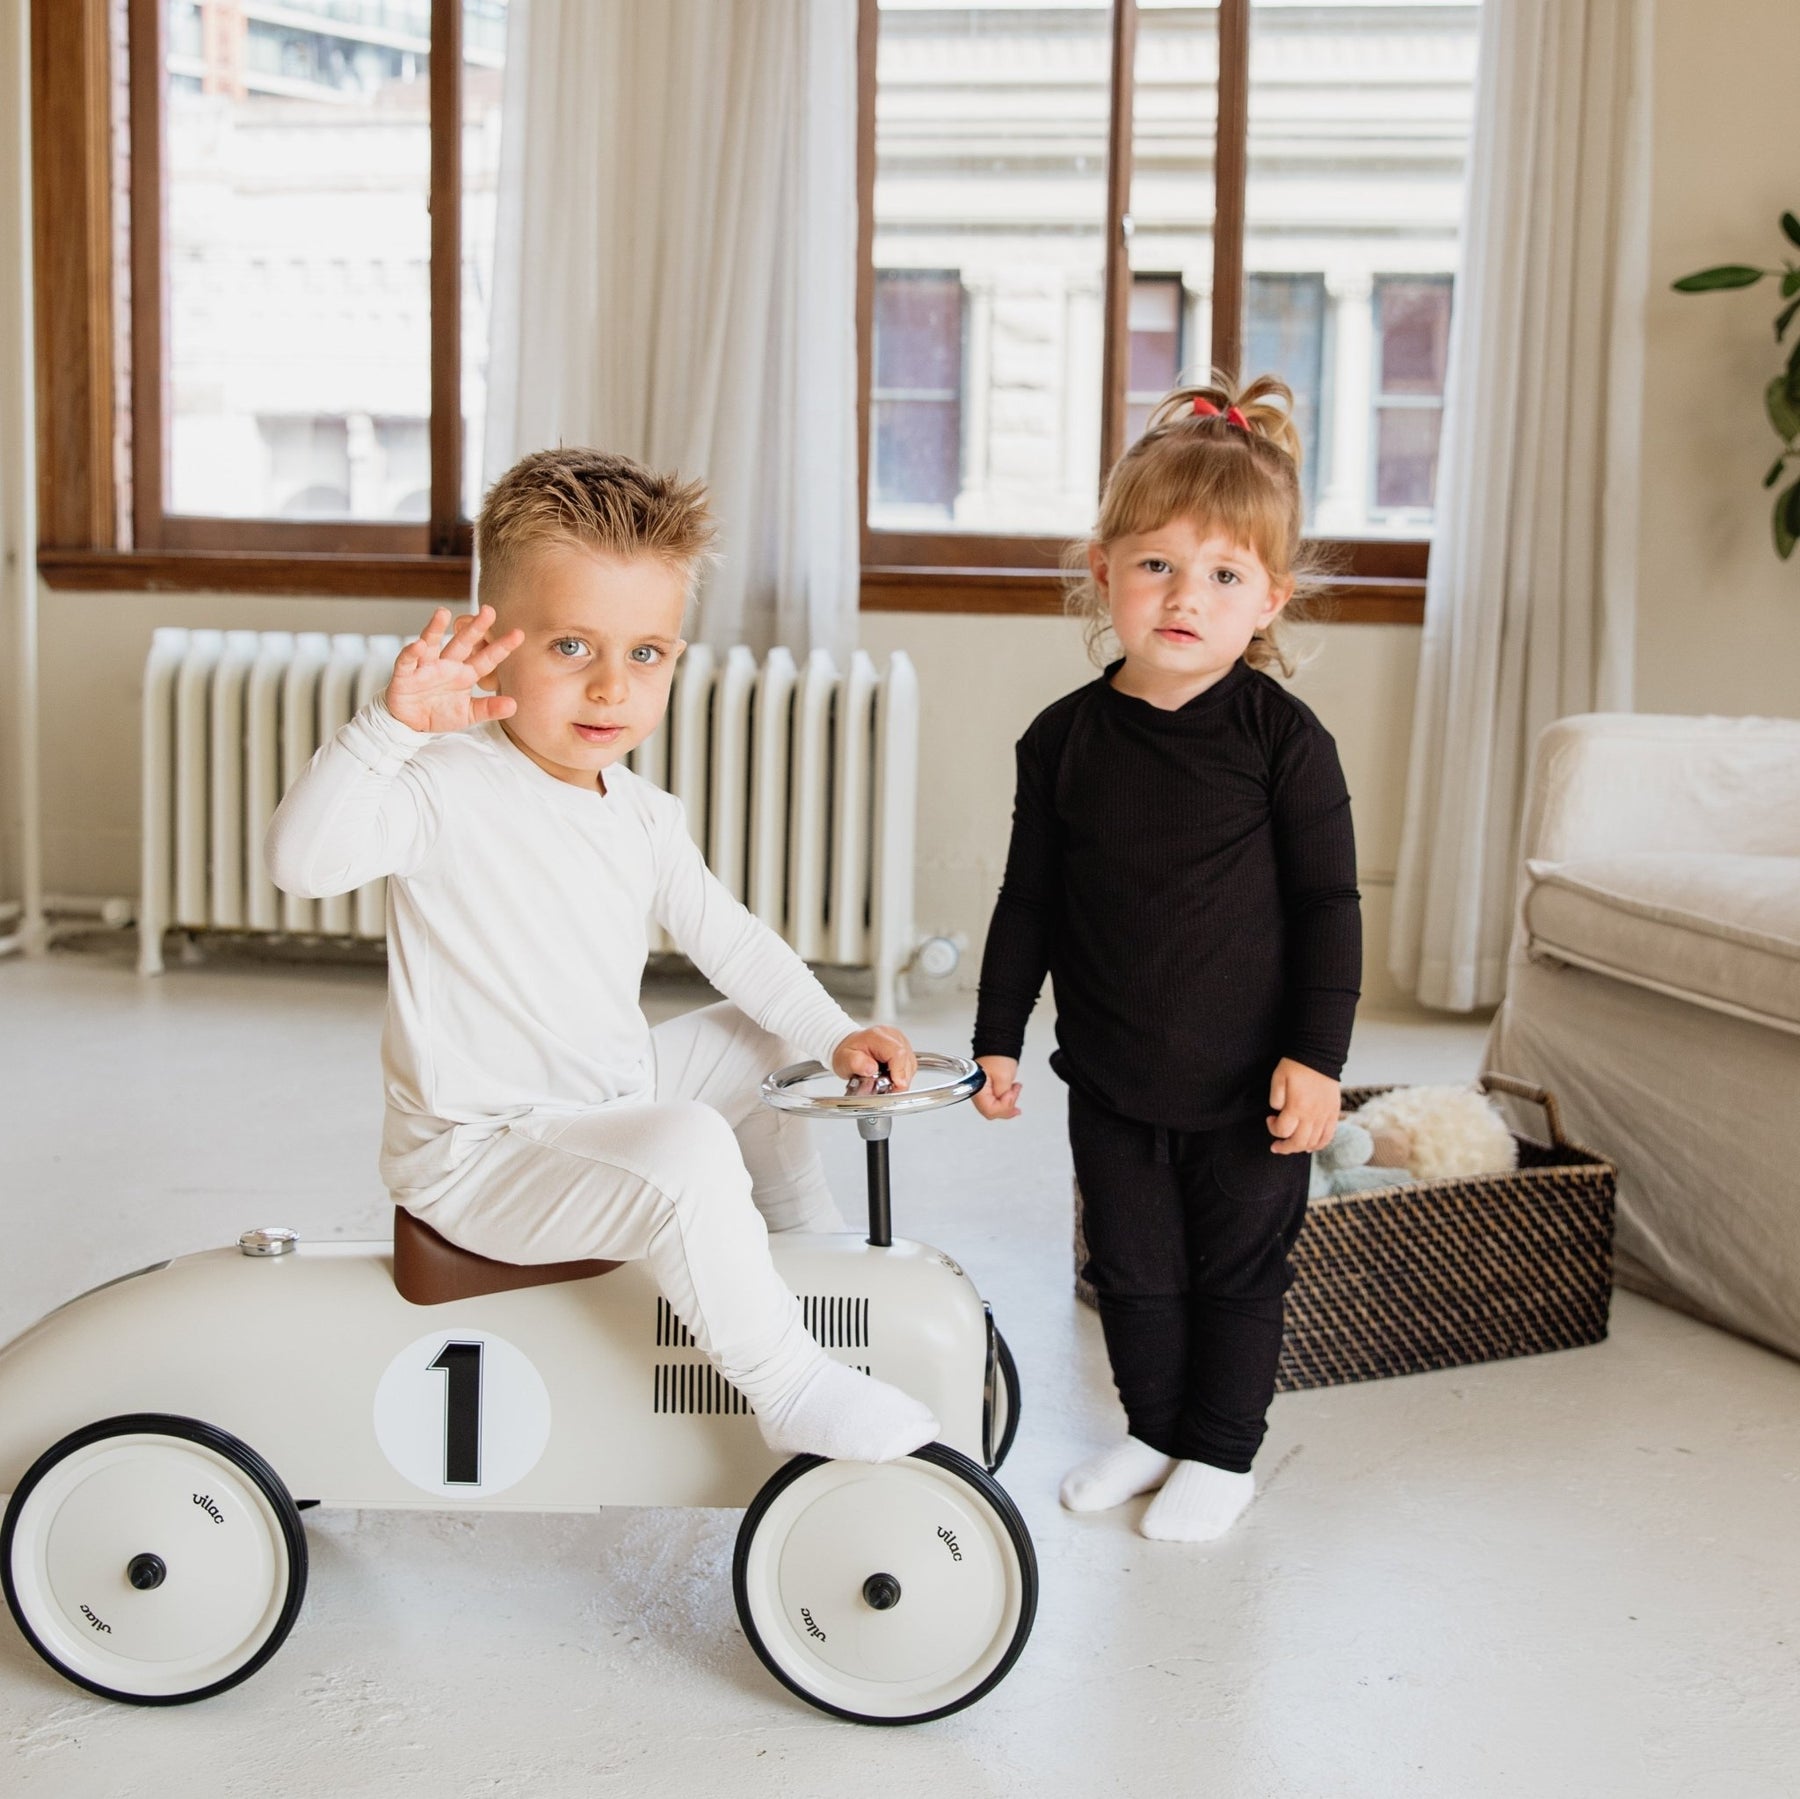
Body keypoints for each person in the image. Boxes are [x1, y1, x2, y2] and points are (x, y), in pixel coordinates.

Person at [267, 446, 938, 1465]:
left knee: (767, 1039)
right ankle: (788, 1383)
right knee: (690, 1146)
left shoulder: (642, 813)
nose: (612, 686)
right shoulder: (442, 783)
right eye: (572, 645)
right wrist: (387, 730)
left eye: (647, 652)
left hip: (603, 1100)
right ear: (493, 640)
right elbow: (300, 862)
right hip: (483, 1156)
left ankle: (809, 1245)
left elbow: (733, 940)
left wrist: (836, 1031)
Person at [970, 376, 1361, 1541]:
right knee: (1133, 1270)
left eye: (1225, 575)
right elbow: (1028, 900)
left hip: (1248, 1088)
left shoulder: (1284, 741)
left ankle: (1222, 1453)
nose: (1187, 595)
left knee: (1236, 1271)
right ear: (1104, 571)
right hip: (1113, 1075)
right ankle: (1153, 1429)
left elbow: (1329, 906)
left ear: (1270, 598)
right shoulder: (1063, 739)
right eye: (1158, 564)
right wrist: (997, 1034)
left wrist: (1318, 1058)